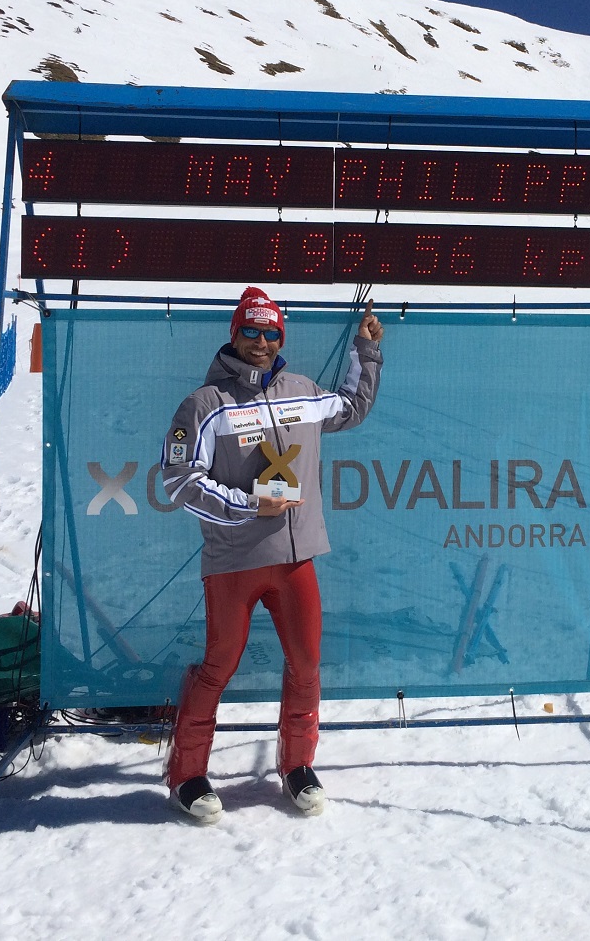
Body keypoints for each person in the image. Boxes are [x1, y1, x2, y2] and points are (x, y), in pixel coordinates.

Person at [160, 286, 383, 823]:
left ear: (281, 337)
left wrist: (367, 350)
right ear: (234, 333)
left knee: (306, 663)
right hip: (234, 563)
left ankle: (297, 765)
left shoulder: (302, 391)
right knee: (219, 666)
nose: (261, 342)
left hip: (295, 560)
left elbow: (351, 407)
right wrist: (247, 506)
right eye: (251, 331)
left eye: (271, 333)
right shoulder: (204, 405)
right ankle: (186, 774)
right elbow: (178, 481)